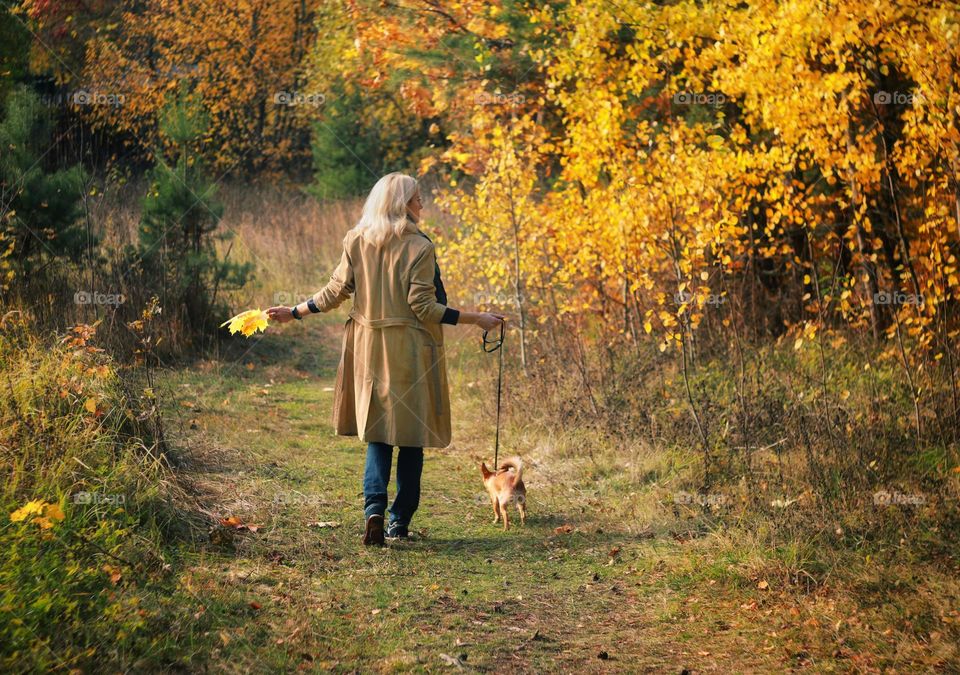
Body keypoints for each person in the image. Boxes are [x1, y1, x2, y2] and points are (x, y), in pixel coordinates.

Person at [267, 173, 505, 546]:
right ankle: (398, 524)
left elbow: (334, 293)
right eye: (417, 199)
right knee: (410, 438)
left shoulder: (356, 239)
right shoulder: (420, 248)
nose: (422, 205)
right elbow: (423, 306)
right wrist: (477, 319)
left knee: (378, 435)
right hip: (408, 350)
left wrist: (294, 311)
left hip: (366, 347)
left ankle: (373, 511)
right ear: (402, 204)